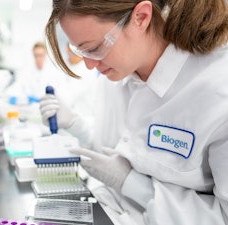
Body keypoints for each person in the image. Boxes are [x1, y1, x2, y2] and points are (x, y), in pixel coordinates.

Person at [39, 0, 228, 224]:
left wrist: (133, 185)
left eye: (95, 48)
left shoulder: (217, 91)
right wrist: (76, 126)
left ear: (141, 17)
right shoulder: (116, 75)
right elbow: (114, 154)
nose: (90, 65)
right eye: (79, 50)